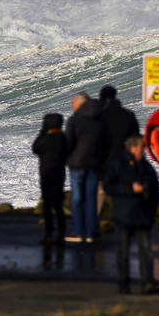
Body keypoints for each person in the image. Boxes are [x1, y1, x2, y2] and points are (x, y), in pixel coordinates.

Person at [102, 134, 159, 296]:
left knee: (146, 252)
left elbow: (156, 190)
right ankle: (123, 284)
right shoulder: (118, 164)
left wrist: (151, 210)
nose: (145, 150)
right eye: (142, 147)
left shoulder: (146, 167)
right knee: (123, 252)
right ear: (132, 148)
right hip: (124, 216)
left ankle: (148, 283)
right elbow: (109, 187)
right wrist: (130, 189)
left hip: (143, 216)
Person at [64, 92, 107, 243]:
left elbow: (68, 143)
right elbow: (105, 143)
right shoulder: (100, 119)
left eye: (72, 104)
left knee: (77, 199)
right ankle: (90, 233)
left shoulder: (74, 120)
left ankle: (78, 232)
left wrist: (66, 159)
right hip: (94, 164)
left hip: (77, 165)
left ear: (78, 104)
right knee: (91, 199)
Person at [30, 112, 68, 245]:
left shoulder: (45, 138)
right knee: (58, 203)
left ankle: (49, 233)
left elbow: (35, 148)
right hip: (59, 173)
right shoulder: (62, 137)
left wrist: (41, 132)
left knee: (47, 203)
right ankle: (61, 232)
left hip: (46, 173)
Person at [98, 85, 141, 153]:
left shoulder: (98, 116)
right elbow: (136, 136)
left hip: (105, 157)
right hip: (125, 155)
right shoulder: (128, 114)